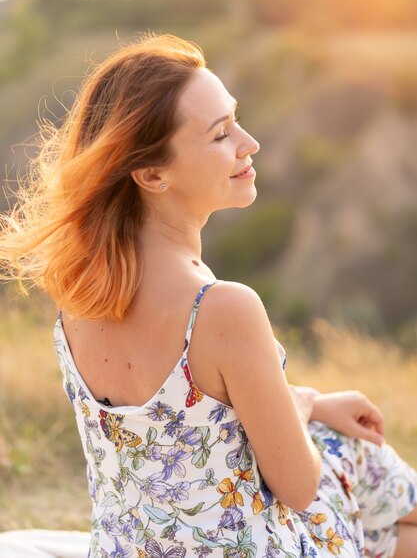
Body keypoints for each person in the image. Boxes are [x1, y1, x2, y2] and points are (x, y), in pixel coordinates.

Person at [0, 33, 416, 558]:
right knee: (364, 460)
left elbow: (189, 434)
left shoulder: (78, 297)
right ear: (152, 174)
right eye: (221, 135)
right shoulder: (220, 308)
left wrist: (312, 406)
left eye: (235, 119)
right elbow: (298, 487)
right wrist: (307, 403)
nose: (249, 143)